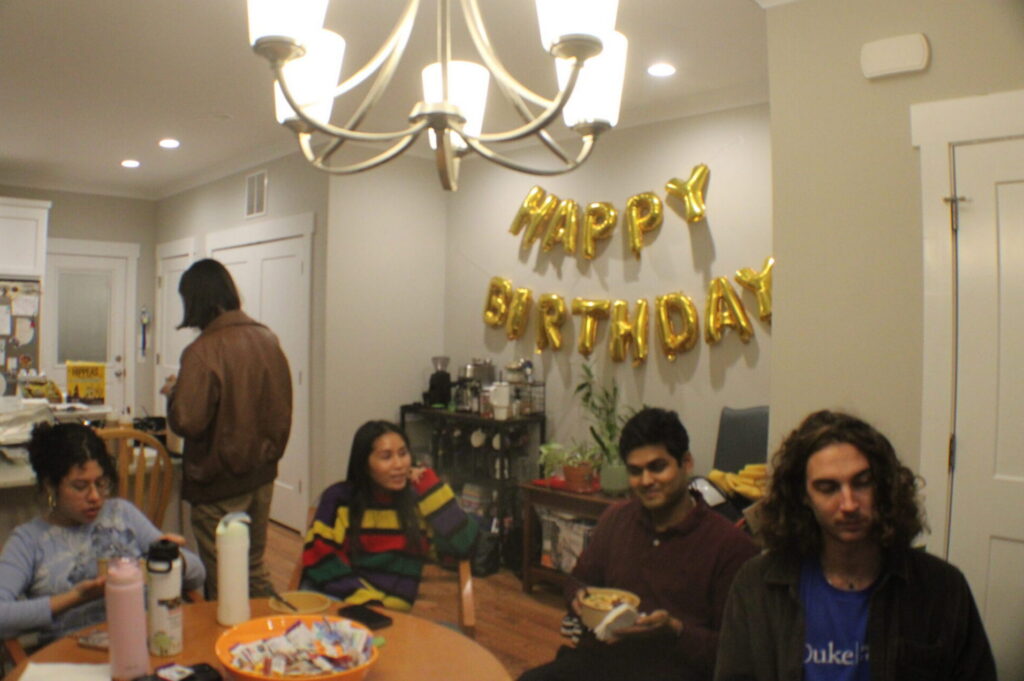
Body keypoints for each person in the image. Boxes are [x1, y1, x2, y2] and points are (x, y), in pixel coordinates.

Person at [714, 410, 997, 681]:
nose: (849, 504)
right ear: (803, 496)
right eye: (828, 488)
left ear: (884, 485)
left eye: (862, 483)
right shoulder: (757, 584)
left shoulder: (942, 588)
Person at [520, 407, 759, 681]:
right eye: (635, 471)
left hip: (673, 671)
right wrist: (579, 598)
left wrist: (675, 631)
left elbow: (737, 654)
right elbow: (579, 580)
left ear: (687, 463)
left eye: (658, 467)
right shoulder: (616, 520)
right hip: (602, 662)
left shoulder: (729, 546)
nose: (646, 481)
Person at [0, 423, 205, 646]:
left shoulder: (121, 513)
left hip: (143, 640)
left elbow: (197, 574)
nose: (95, 496)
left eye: (101, 483)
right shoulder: (29, 540)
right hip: (71, 655)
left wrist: (172, 558)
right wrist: (75, 597)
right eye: (80, 486)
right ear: (51, 485)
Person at [161, 258, 292, 598]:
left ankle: (229, 645)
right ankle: (274, 636)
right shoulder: (267, 339)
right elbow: (279, 405)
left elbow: (188, 421)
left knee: (225, 581)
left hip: (217, 483)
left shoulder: (202, 351)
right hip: (261, 475)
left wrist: (176, 392)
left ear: (197, 301)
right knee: (252, 567)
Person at [299, 420, 478, 611]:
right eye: (386, 457)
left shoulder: (419, 503)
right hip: (339, 601)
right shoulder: (340, 498)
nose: (399, 464)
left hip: (392, 617)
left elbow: (464, 544)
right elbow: (318, 555)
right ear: (364, 464)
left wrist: (430, 486)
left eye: (403, 454)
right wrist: (367, 601)